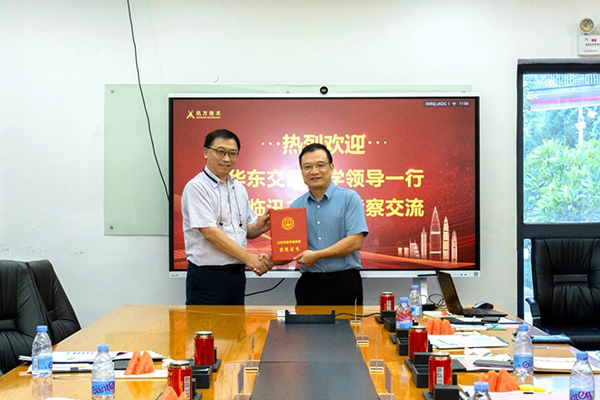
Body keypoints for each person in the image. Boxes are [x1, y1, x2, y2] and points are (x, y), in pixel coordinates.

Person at [182, 129, 272, 305]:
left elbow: (244, 229)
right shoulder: (197, 187)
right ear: (206, 152)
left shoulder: (239, 188)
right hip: (207, 277)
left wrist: (259, 226)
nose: (226, 159)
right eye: (220, 152)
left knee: (236, 324)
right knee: (206, 323)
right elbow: (210, 233)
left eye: (232, 153)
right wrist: (250, 259)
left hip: (236, 276)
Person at [291, 143, 369, 305]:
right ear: (302, 172)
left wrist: (317, 255)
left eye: (320, 165)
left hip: (345, 283)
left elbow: (355, 241)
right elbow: (291, 247)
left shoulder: (349, 198)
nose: (314, 171)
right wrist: (268, 260)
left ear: (331, 167)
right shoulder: (295, 206)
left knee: (348, 323)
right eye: (307, 167)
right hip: (309, 284)